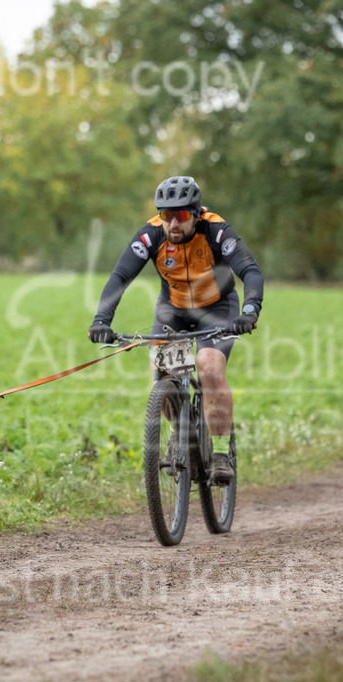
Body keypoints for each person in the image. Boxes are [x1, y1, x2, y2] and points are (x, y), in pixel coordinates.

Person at [88, 176, 264, 485]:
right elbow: (120, 277)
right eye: (165, 214)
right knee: (164, 375)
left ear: (196, 214)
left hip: (217, 308)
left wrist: (250, 311)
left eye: (180, 215)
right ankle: (179, 435)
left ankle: (221, 452)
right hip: (173, 310)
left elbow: (249, 271)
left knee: (209, 367)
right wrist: (102, 319)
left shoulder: (217, 230)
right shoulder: (151, 234)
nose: (172, 223)